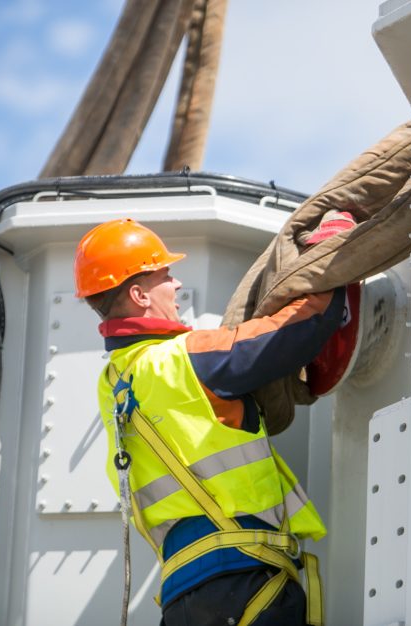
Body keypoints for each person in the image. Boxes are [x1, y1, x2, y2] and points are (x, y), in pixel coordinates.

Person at [74, 218, 344, 626]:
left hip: (183, 597)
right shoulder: (183, 358)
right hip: (243, 579)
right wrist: (333, 257)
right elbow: (296, 331)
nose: (176, 284)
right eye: (165, 275)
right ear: (138, 294)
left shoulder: (113, 382)